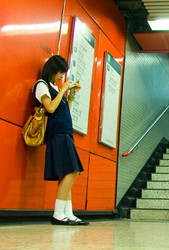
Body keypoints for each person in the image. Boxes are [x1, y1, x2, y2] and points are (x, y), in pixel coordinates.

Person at [34, 55, 88, 225]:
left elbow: (65, 110)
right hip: (56, 133)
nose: (61, 77)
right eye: (59, 73)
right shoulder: (41, 85)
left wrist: (70, 95)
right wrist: (63, 90)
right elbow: (49, 107)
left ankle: (68, 214)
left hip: (65, 133)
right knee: (72, 171)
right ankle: (58, 214)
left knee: (68, 173)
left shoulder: (56, 88)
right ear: (52, 70)